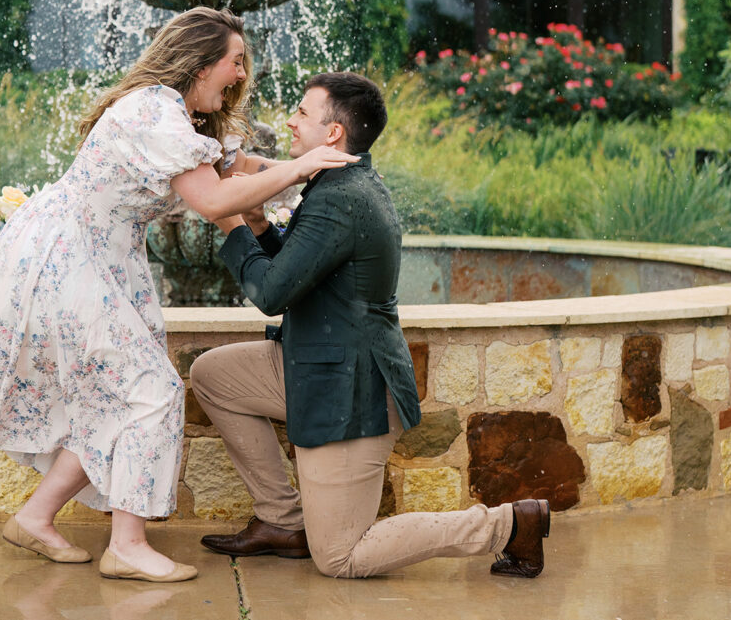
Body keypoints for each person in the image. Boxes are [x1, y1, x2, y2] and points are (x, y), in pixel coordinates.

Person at [0, 8, 358, 583]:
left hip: (97, 258)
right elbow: (215, 201)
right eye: (235, 62)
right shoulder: (151, 112)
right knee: (152, 391)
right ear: (201, 59)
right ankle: (127, 546)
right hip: (68, 259)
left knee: (114, 400)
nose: (240, 76)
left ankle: (35, 518)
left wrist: (309, 170)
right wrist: (303, 165)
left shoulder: (178, 117)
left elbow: (240, 167)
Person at [191, 71, 552, 579]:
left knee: (340, 557)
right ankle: (282, 520)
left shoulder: (342, 198)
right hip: (314, 362)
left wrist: (228, 219)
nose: (291, 122)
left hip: (350, 388)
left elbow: (270, 295)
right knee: (213, 375)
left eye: (302, 113)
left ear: (333, 133)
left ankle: (508, 525)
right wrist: (256, 225)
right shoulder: (340, 182)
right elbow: (300, 272)